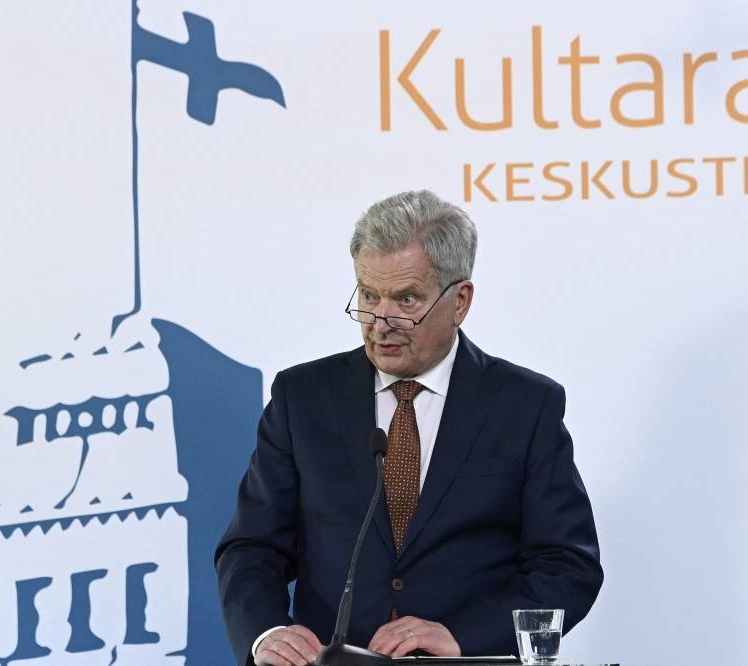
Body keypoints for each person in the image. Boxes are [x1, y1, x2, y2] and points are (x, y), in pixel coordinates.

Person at [215, 190, 603, 666]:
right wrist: (266, 632)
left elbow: (568, 566)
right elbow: (253, 547)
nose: (380, 322)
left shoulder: (525, 405)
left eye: (406, 299)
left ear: (460, 301)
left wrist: (462, 635)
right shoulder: (303, 397)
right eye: (369, 295)